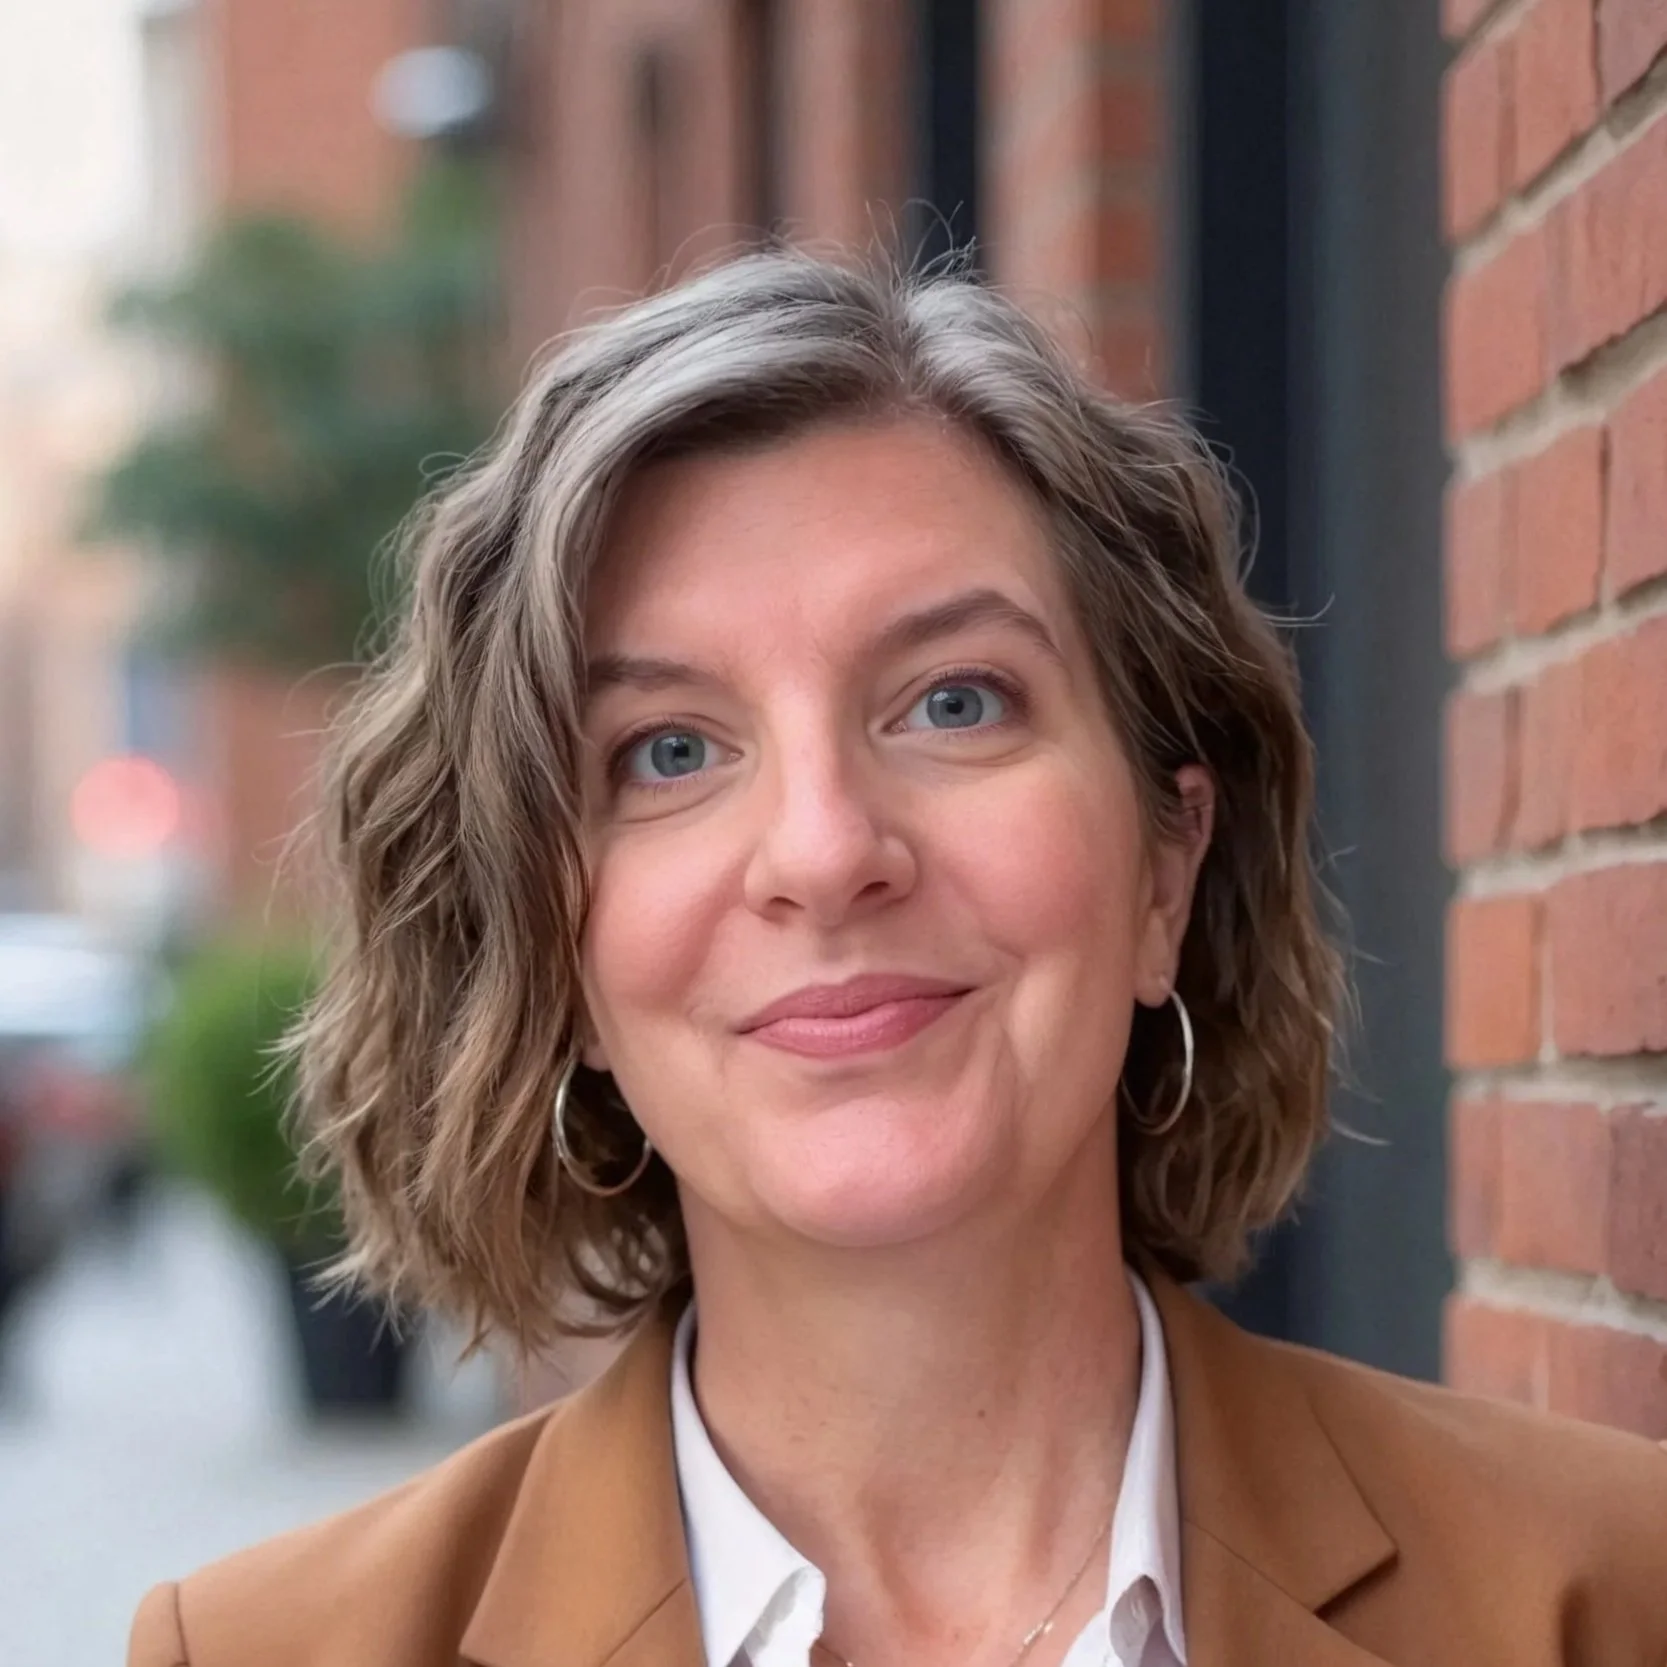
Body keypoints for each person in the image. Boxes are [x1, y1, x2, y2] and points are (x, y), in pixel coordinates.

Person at [129, 253, 1667, 1667]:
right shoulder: (265, 1650)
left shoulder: (1598, 1592)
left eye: (951, 701)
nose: (822, 848)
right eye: (667, 750)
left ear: (1165, 863)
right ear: (549, 948)